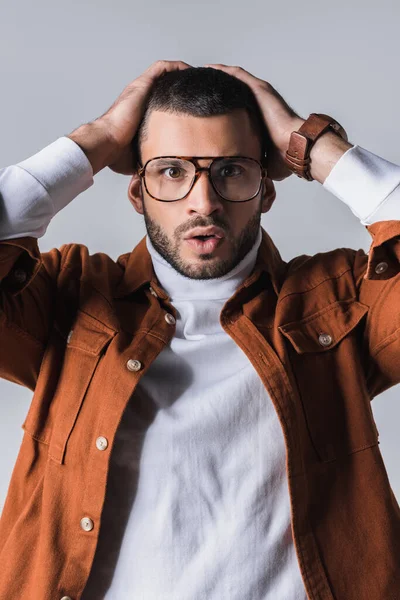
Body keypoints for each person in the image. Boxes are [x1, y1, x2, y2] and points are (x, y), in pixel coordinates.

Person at [0, 59, 399, 600]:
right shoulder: (68, 296)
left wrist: (309, 144)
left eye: (231, 170)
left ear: (268, 190)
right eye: (171, 171)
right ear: (137, 192)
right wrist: (95, 141)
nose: (203, 201)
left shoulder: (340, 298)